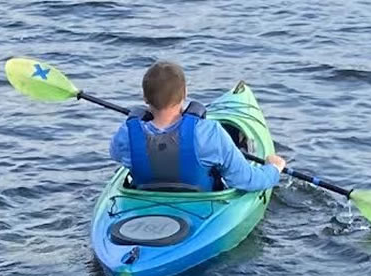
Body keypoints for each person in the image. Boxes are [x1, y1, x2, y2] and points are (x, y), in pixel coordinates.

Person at [109, 61, 286, 191]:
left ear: (145, 98)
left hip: (145, 200)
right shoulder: (209, 133)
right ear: (185, 94)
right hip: (200, 205)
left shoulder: (126, 134)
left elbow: (116, 155)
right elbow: (245, 180)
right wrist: (273, 169)